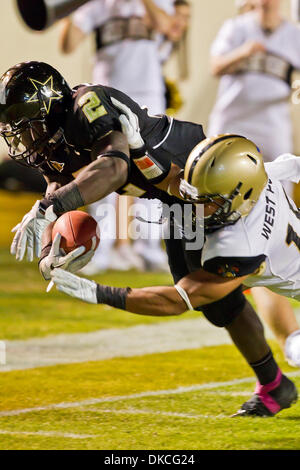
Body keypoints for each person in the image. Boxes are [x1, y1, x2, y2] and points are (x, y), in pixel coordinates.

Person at [0, 61, 297, 417]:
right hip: (178, 190)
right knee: (218, 304)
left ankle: (275, 376)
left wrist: (95, 290)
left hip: (203, 188)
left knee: (205, 291)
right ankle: (274, 384)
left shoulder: (88, 105)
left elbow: (114, 168)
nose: (21, 137)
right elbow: (62, 182)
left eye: (23, 125)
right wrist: (51, 247)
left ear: (47, 107)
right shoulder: (55, 139)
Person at [50, 134, 300, 417]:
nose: (198, 207)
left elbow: (179, 299)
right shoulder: (258, 177)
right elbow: (293, 166)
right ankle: (274, 385)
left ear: (241, 196)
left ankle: (276, 382)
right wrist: (140, 150)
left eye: (210, 201)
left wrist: (97, 292)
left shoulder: (241, 244)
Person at [208, 0, 300, 370]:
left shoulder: (293, 34)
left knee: (276, 230)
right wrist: (245, 52)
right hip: (232, 132)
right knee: (244, 235)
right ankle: (290, 338)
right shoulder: (236, 28)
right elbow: (215, 66)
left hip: (274, 132)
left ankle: (290, 340)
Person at [59, 0, 183, 273]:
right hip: (107, 96)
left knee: (153, 171)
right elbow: (67, 44)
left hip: (149, 95)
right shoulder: (99, 5)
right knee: (106, 166)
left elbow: (169, 28)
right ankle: (100, 251)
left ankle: (148, 250)